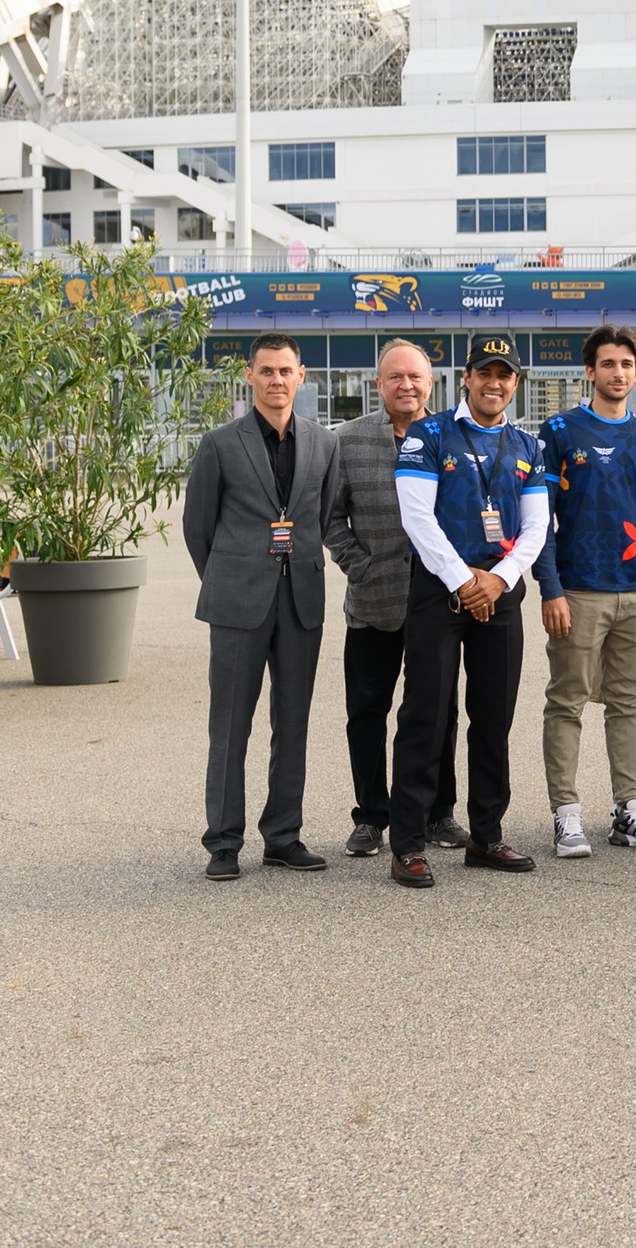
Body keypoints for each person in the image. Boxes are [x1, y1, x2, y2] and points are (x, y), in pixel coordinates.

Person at [387, 335, 548, 887]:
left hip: (499, 595)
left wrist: (497, 581)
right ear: (466, 377)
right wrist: (463, 580)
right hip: (439, 590)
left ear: (516, 383)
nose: (494, 383)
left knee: (493, 717)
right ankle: (407, 842)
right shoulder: (427, 435)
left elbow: (536, 527)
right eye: (485, 372)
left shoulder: (528, 445)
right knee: (425, 716)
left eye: (505, 375)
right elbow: (417, 517)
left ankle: (486, 835)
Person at [184, 331, 341, 881]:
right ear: (249, 377)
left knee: (292, 724)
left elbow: (320, 519)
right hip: (237, 604)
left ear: (302, 377)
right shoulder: (220, 444)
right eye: (267, 371)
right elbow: (197, 527)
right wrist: (231, 578)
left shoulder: (324, 444)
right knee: (230, 727)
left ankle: (283, 836)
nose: (277, 380)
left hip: (301, 600)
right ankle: (223, 843)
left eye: (286, 371)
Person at [535, 325, 636, 859]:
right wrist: (549, 587)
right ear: (589, 371)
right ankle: (566, 813)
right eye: (607, 363)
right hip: (579, 590)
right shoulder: (559, 431)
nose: (617, 372)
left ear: (635, 373)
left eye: (626, 364)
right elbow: (539, 518)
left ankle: (628, 809)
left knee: (628, 702)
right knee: (568, 701)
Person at [323, 337, 459, 859]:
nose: (406, 385)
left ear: (431, 383)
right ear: (377, 385)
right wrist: (359, 566)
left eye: (415, 377)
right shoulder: (348, 441)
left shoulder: (452, 436)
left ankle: (438, 813)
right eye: (394, 377)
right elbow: (332, 518)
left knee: (438, 712)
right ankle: (371, 816)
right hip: (372, 601)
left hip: (437, 602)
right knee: (367, 713)